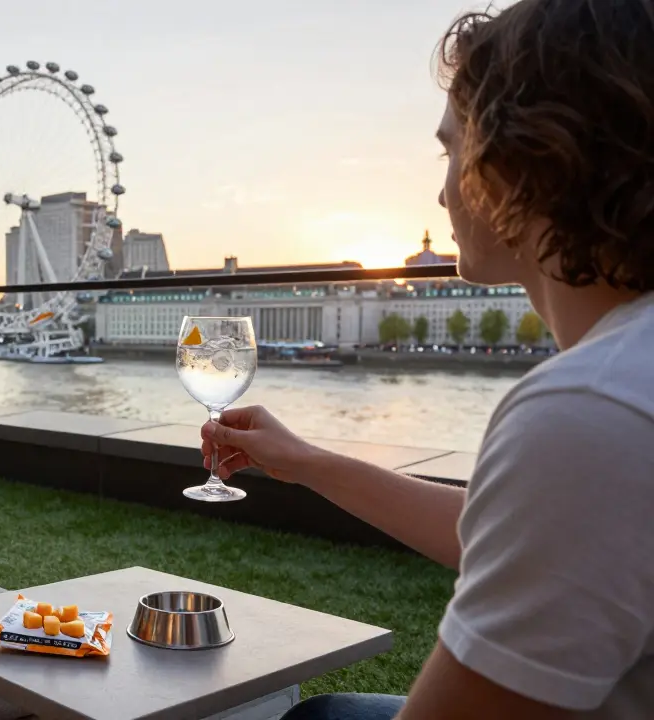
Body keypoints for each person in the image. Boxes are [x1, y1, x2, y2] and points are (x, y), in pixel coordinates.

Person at [201, 2, 654, 718]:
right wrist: (309, 462)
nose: (442, 189)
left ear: (522, 162)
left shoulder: (589, 412)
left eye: (451, 150)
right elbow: (532, 535)